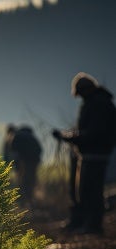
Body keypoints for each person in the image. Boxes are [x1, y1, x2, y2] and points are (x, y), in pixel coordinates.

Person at [52, 72, 116, 234]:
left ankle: (93, 226)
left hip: (96, 154)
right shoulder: (96, 102)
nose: (80, 97)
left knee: (91, 191)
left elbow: (94, 133)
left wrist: (70, 138)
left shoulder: (98, 103)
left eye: (80, 94)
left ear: (85, 89)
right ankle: (85, 223)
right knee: (86, 190)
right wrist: (71, 137)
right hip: (93, 153)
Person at [10, 125, 42, 207]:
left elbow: (14, 152)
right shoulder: (31, 137)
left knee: (23, 180)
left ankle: (23, 201)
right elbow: (39, 149)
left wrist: (16, 166)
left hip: (25, 161)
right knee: (31, 179)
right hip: (34, 160)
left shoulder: (16, 136)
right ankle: (30, 199)